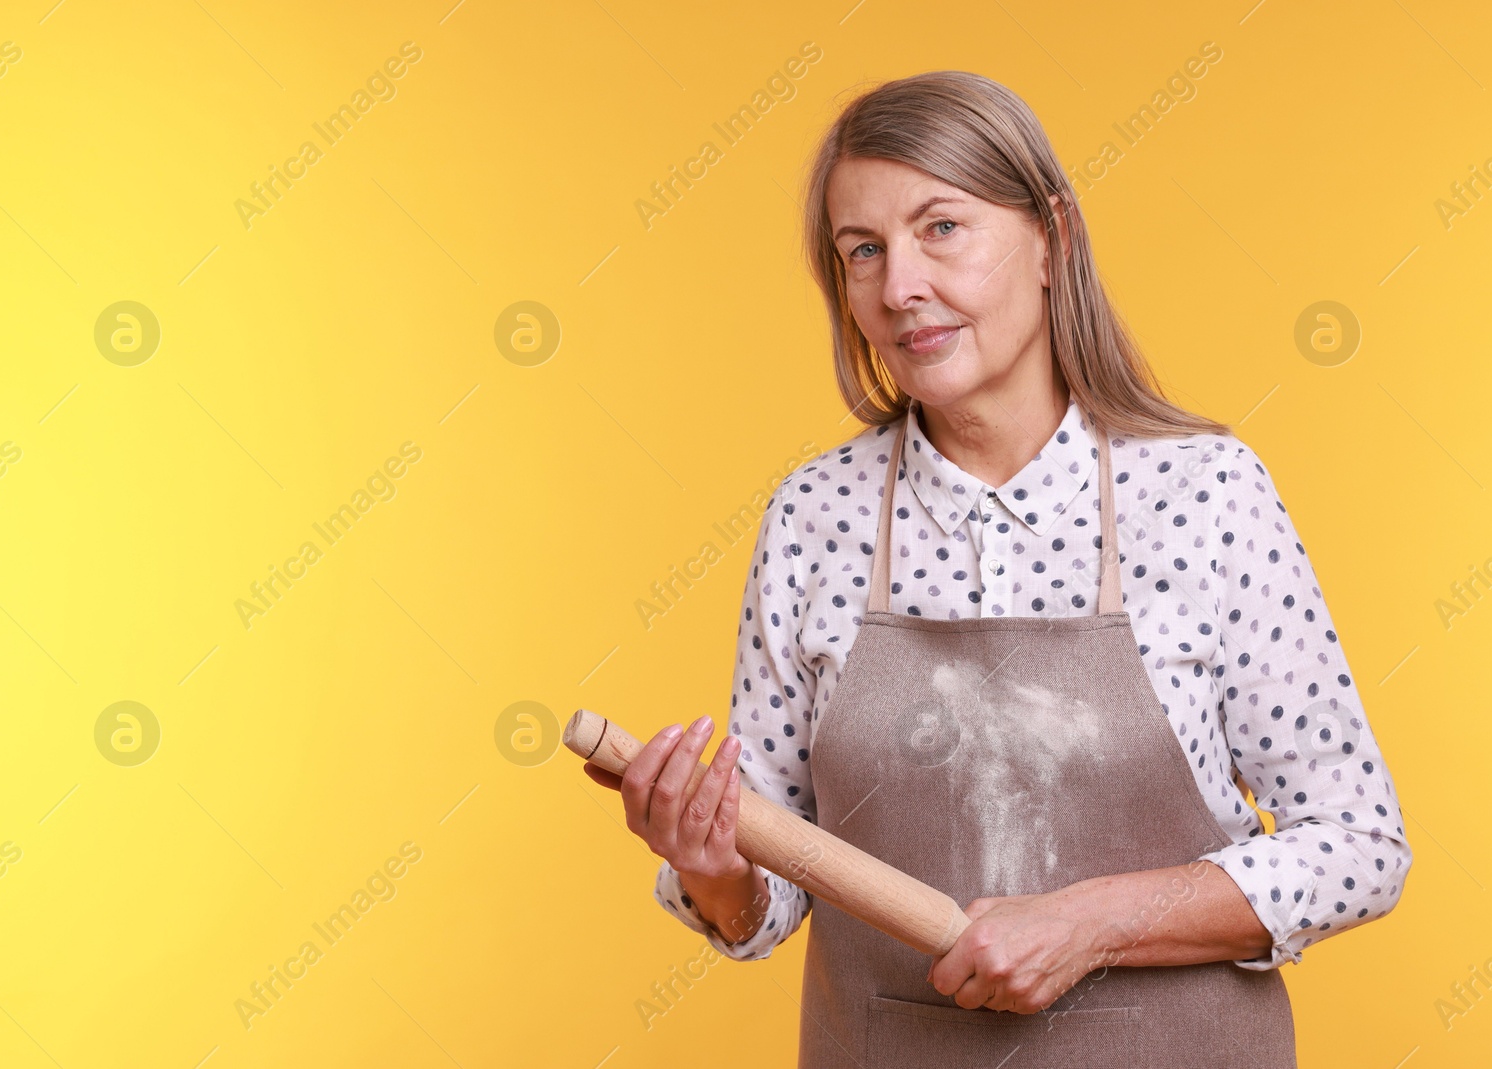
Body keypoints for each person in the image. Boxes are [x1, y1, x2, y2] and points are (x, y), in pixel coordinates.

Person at [582, 70, 1411, 1067]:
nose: (898, 287)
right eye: (863, 251)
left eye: (941, 228)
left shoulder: (1203, 494)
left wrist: (1092, 921)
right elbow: (768, 895)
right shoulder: (816, 515)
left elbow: (1359, 844)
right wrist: (714, 865)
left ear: (1052, 239)